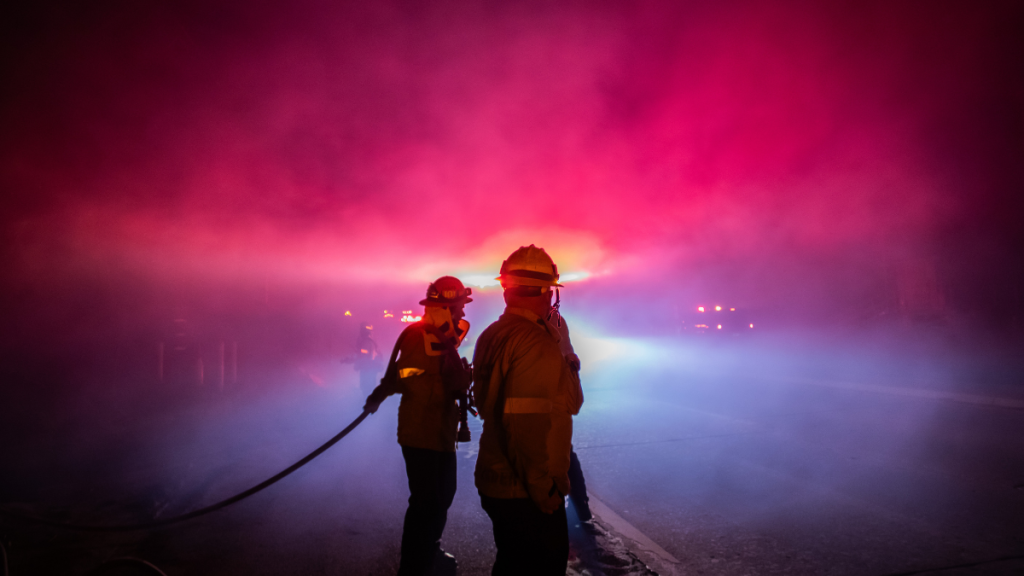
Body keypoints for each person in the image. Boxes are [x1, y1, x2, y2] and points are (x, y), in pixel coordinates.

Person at [473, 245, 584, 575]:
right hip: (525, 491)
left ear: (507, 289)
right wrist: (543, 489)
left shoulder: (492, 334)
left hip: (499, 483)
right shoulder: (537, 344)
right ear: (546, 291)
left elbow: (485, 405)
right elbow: (530, 421)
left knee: (511, 564)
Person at [364, 276, 474, 576]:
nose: (463, 314)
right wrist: (451, 383)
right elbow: (405, 377)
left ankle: (430, 550)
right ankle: (414, 567)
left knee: (444, 495)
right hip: (420, 432)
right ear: (445, 307)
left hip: (441, 432)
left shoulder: (442, 339)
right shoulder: (417, 336)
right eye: (459, 307)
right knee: (426, 503)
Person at [545, 308, 592, 522]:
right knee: (566, 457)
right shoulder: (557, 321)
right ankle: (581, 512)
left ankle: (565, 512)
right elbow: (575, 402)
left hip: (543, 415)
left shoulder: (518, 328)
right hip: (557, 413)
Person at [353, 323, 383, 395]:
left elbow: (364, 355)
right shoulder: (371, 342)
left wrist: (358, 364)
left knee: (366, 389)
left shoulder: (366, 342)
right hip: (371, 369)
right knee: (370, 388)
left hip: (367, 369)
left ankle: (368, 403)